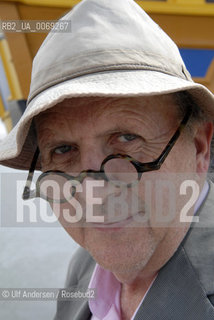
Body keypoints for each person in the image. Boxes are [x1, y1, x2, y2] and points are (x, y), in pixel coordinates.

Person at [0, 0, 214, 319]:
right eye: (63, 151)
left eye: (128, 139)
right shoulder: (85, 265)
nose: (93, 195)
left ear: (199, 149)